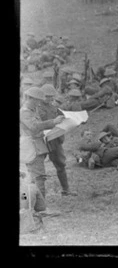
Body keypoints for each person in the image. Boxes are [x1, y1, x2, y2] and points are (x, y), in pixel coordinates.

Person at [19, 87, 65, 216]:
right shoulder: (25, 111)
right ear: (30, 98)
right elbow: (34, 127)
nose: (39, 103)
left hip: (36, 146)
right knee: (38, 178)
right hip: (32, 147)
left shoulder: (32, 110)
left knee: (32, 179)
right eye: (37, 100)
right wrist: (52, 122)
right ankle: (40, 209)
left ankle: (29, 207)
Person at [39, 84, 77, 196]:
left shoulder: (54, 108)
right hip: (41, 141)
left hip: (55, 140)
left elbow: (64, 116)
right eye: (47, 96)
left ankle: (66, 190)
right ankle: (37, 195)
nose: (50, 99)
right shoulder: (35, 108)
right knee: (37, 168)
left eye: (51, 96)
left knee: (61, 164)